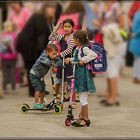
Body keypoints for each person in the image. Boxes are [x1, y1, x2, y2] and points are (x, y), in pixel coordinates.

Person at [16, 3, 57, 97]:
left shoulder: (43, 18)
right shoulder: (39, 17)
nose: (52, 10)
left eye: (53, 9)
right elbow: (40, 35)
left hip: (30, 45)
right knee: (33, 67)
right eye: (50, 8)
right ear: (45, 9)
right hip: (28, 46)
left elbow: (45, 35)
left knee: (35, 67)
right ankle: (34, 90)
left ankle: (38, 89)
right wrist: (44, 52)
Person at [65, 30, 97, 127]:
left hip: (84, 77)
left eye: (73, 39)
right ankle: (81, 117)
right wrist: (69, 60)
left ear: (78, 40)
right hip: (78, 76)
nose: (73, 41)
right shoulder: (77, 49)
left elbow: (94, 55)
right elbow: (76, 60)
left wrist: (83, 60)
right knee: (82, 98)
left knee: (83, 99)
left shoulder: (84, 48)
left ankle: (85, 118)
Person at [49, 19, 77, 108]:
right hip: (61, 62)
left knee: (71, 83)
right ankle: (57, 98)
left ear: (72, 28)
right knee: (58, 81)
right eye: (65, 26)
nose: (67, 28)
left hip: (69, 62)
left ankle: (73, 101)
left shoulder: (72, 38)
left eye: (69, 27)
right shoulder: (62, 36)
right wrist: (56, 28)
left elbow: (69, 49)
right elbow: (51, 38)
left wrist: (59, 54)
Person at [30, 44, 62, 109]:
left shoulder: (52, 55)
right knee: (38, 88)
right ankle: (35, 104)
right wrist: (54, 65)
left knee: (43, 90)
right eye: (53, 54)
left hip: (41, 76)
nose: (55, 55)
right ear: (47, 52)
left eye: (56, 54)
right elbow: (48, 62)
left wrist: (57, 65)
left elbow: (59, 60)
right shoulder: (43, 56)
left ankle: (41, 103)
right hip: (34, 75)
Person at [0, 21, 17, 94]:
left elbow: (16, 45)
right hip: (4, 57)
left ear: (12, 27)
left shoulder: (13, 35)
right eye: (6, 27)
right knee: (5, 72)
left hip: (12, 57)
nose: (7, 28)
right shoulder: (3, 35)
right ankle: (4, 86)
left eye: (8, 27)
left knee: (12, 72)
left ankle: (13, 84)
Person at [129, 10, 140, 84]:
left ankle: (135, 77)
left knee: (136, 61)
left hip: (135, 41)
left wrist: (133, 34)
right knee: (138, 61)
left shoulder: (137, 13)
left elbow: (133, 26)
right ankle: (138, 77)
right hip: (138, 40)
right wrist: (135, 34)